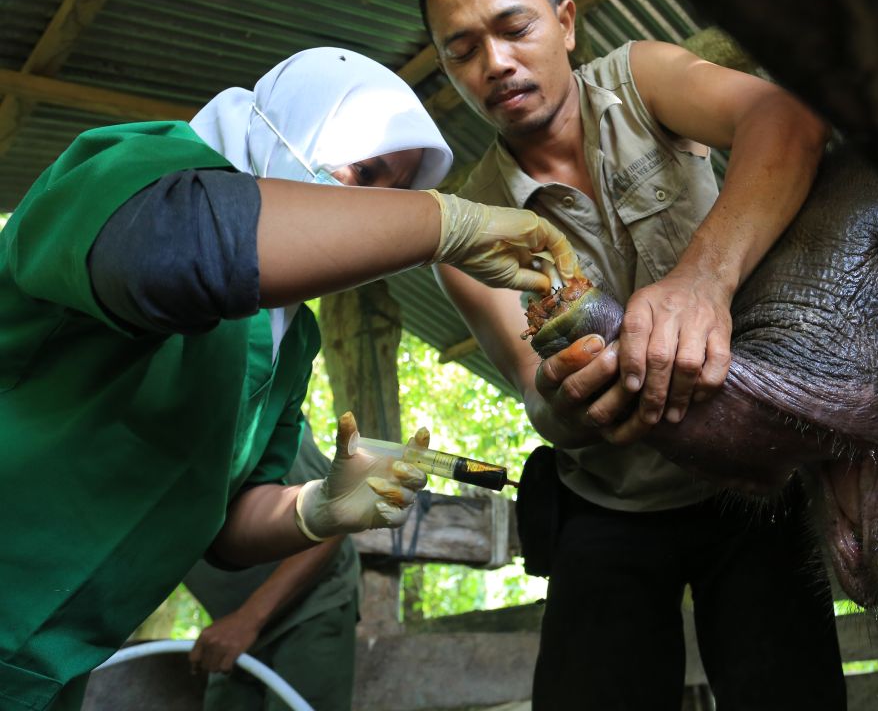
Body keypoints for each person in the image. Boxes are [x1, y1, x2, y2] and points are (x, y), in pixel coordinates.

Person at [0, 47, 578, 711]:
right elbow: (168, 253)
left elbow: (229, 527)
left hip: (54, 662)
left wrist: (315, 510)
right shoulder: (142, 167)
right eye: (364, 173)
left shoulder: (289, 340)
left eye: (392, 194)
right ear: (288, 133)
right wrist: (444, 221)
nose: (373, 213)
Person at [419, 0, 847, 710]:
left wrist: (701, 281)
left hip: (750, 479)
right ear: (449, 70)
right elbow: (536, 395)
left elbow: (787, 124)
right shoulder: (464, 233)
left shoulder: (641, 80)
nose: (497, 64)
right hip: (609, 505)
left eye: (515, 28)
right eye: (464, 51)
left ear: (567, 23)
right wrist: (567, 403)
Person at [184, 428, 360, 711]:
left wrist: (247, 619)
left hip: (310, 607)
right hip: (232, 620)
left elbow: (338, 513)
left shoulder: (261, 423)